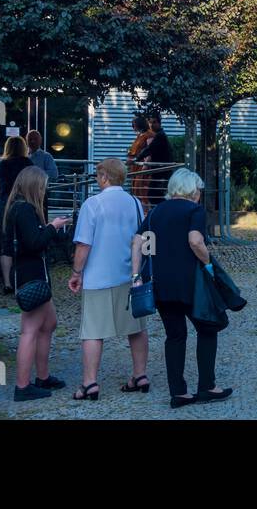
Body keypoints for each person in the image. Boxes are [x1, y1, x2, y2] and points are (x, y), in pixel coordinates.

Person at [133, 168, 232, 408]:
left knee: (175, 335)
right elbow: (195, 241)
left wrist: (136, 275)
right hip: (191, 284)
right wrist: (209, 264)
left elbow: (139, 242)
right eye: (198, 190)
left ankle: (179, 393)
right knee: (208, 328)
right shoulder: (193, 210)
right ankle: (207, 386)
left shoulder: (156, 213)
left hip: (160, 285)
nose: (199, 194)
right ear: (191, 190)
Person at [69, 158, 150, 401]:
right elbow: (144, 239)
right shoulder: (135, 203)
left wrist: (76, 272)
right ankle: (140, 375)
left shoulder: (92, 204)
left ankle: (90, 383)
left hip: (98, 276)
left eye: (97, 175)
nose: (96, 178)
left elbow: (84, 244)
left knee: (93, 331)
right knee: (136, 328)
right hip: (129, 274)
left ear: (104, 177)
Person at [3, 167, 71, 400]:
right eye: (43, 186)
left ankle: (42, 377)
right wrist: (53, 227)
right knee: (30, 331)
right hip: (32, 275)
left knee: (49, 323)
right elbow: (34, 242)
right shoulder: (25, 210)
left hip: (30, 274)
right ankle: (22, 386)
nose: (45, 190)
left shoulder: (17, 208)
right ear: (34, 186)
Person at [0, 136, 33, 295]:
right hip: (23, 203)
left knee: (6, 242)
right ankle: (24, 279)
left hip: (5, 205)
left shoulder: (1, 164)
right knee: (26, 241)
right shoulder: (27, 164)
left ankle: (7, 283)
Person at [138, 113, 173, 209]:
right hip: (159, 172)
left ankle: (164, 212)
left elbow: (150, 149)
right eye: (150, 122)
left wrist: (137, 158)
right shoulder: (159, 135)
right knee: (154, 195)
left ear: (159, 123)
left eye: (154, 122)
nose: (151, 125)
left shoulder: (160, 136)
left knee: (154, 195)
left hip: (161, 172)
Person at [126, 114, 153, 204]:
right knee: (135, 190)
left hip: (142, 167)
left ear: (140, 124)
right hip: (135, 168)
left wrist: (145, 166)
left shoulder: (149, 135)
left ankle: (145, 213)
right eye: (132, 125)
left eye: (134, 125)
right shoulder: (140, 136)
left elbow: (150, 151)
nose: (133, 127)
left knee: (141, 190)